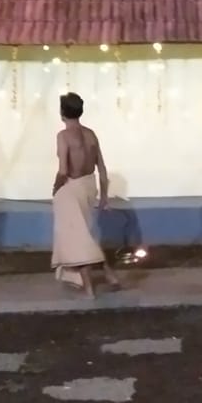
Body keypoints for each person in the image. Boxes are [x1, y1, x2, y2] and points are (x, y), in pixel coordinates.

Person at [51, 92, 120, 297]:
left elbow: (64, 171)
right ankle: (106, 276)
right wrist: (105, 197)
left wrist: (55, 188)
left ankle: (92, 284)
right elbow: (102, 168)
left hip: (71, 188)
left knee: (77, 239)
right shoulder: (91, 134)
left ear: (62, 113)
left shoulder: (63, 136)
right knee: (84, 235)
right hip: (89, 186)